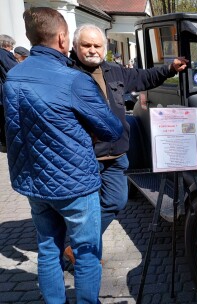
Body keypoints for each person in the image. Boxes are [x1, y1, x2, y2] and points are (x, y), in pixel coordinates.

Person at [3, 7, 123, 303]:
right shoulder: (73, 80)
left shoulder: (13, 76)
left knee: (47, 248)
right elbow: (111, 129)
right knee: (86, 253)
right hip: (74, 184)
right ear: (61, 38)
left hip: (33, 181)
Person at [66, 23, 188, 262]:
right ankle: (85, 252)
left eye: (97, 45)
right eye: (86, 45)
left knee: (115, 201)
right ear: (75, 46)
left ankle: (78, 244)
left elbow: (144, 77)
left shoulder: (115, 71)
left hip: (116, 155)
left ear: (105, 47)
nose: (92, 50)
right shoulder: (67, 74)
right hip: (85, 156)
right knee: (86, 209)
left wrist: (170, 68)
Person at [0, 34, 18, 153]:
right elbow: (14, 71)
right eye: (11, 46)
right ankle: (7, 144)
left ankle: (3, 143)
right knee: (6, 118)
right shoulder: (4, 54)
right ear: (6, 44)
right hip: (4, 91)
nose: (11, 48)